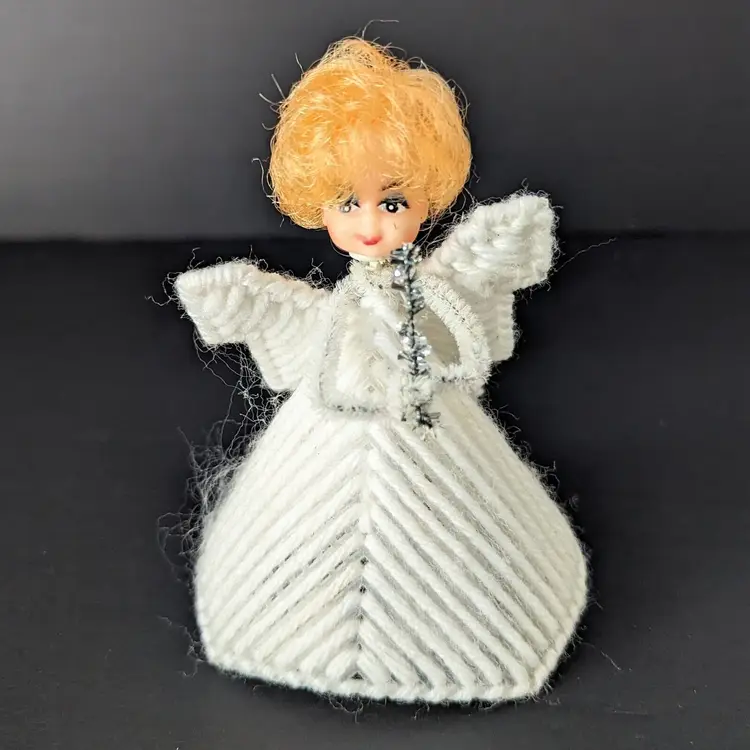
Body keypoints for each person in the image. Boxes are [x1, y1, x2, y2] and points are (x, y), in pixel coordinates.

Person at [174, 36, 587, 704]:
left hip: (422, 407)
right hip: (333, 411)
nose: (370, 224)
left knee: (448, 483)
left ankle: (476, 607)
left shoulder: (436, 293)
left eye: (392, 203)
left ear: (426, 201)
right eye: (348, 202)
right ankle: (288, 609)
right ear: (317, 205)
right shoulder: (335, 313)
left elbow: (462, 329)